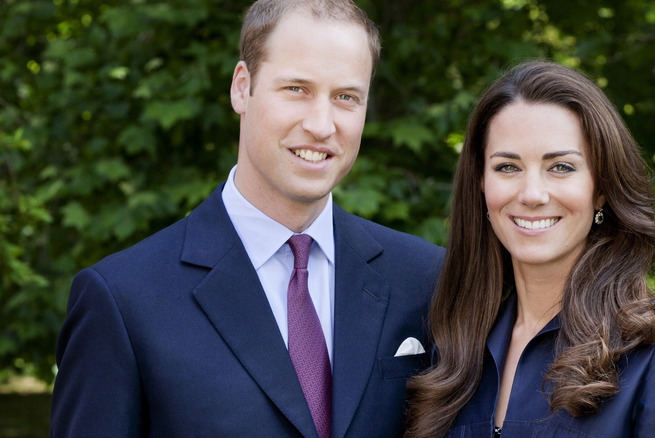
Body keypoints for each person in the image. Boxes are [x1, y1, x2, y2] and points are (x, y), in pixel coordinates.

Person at [50, 1, 443, 437]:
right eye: (296, 88)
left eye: (346, 97)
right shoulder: (123, 301)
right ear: (242, 87)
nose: (321, 124)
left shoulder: (425, 279)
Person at [405, 61, 655, 437]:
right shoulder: (453, 348)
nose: (532, 194)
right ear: (481, 184)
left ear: (601, 188)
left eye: (561, 167)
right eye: (507, 167)